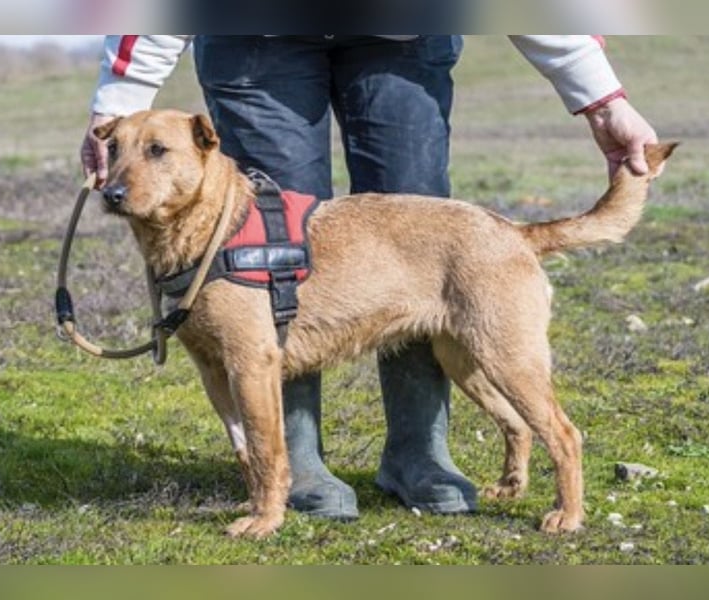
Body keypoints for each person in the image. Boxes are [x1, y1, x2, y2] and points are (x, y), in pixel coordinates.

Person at [80, 35, 658, 520]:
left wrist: (600, 95)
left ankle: (421, 453)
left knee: (419, 207)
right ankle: (294, 466)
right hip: (254, 36)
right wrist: (121, 95)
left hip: (404, 36)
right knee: (268, 253)